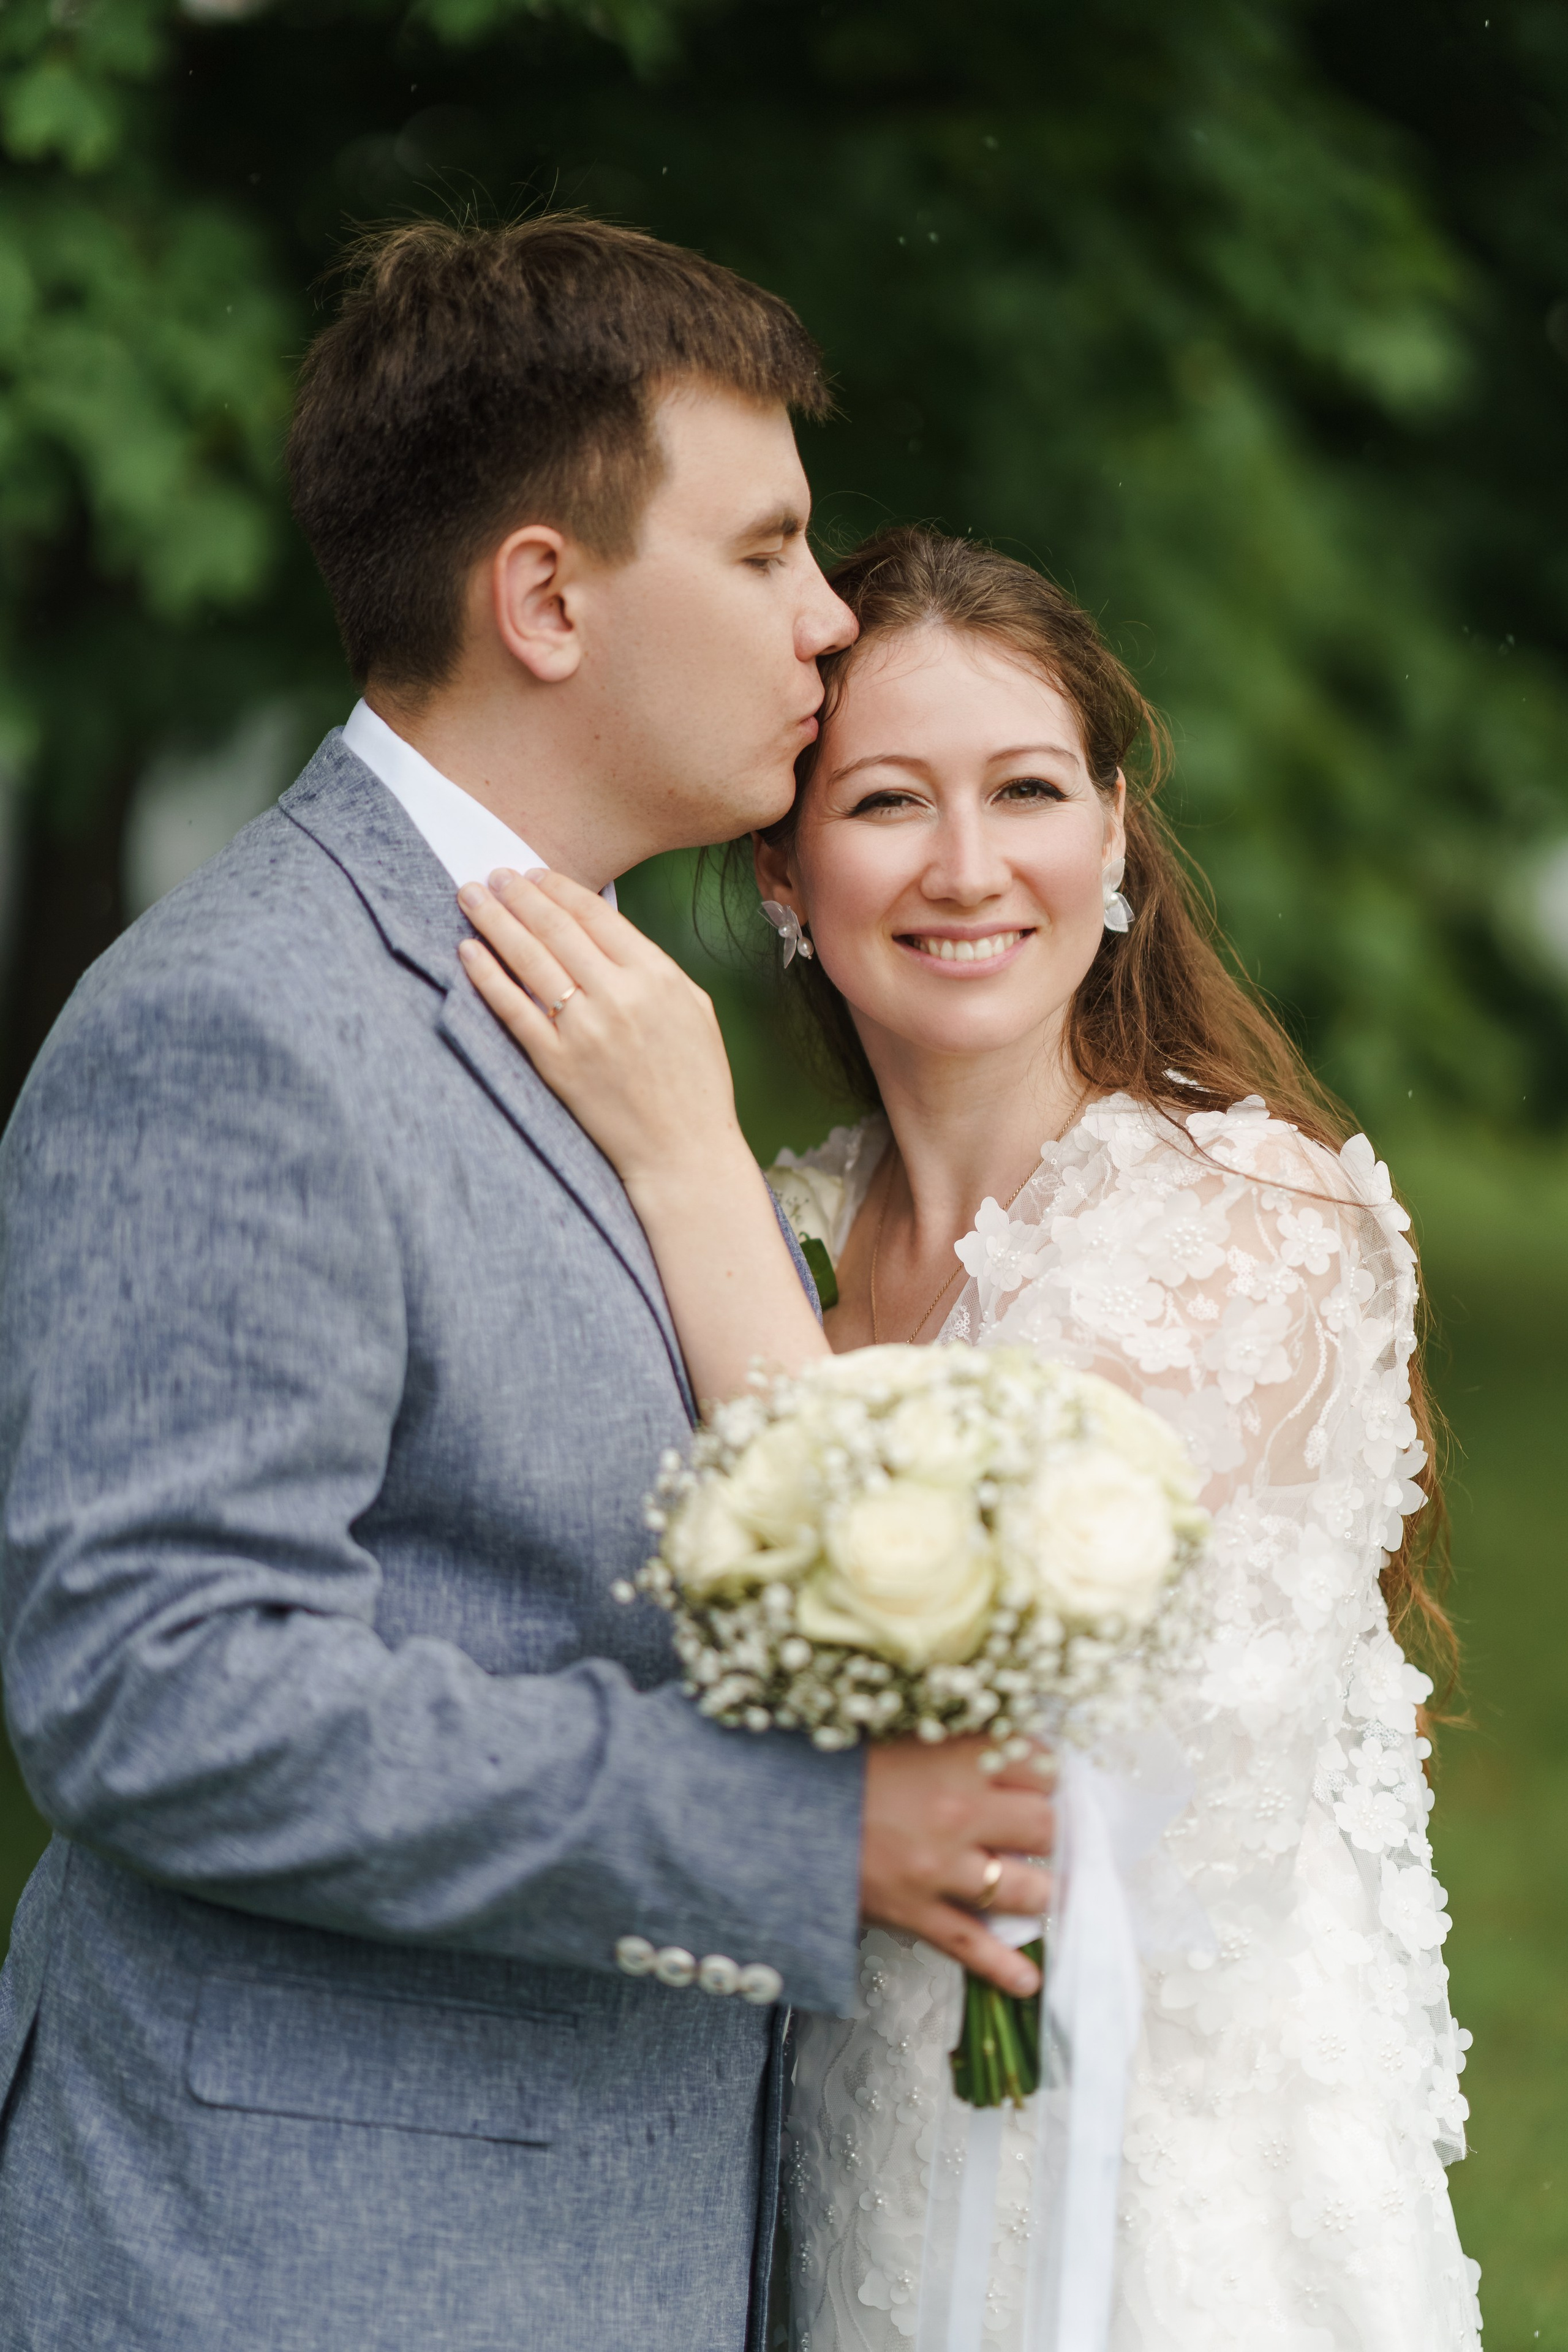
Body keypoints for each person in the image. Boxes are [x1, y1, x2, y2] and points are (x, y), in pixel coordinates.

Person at [0, 227, 1055, 2352]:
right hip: (315, 2271)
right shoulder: (241, 1025)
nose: (830, 617)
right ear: (549, 598)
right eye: (766, 553)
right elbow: (162, 1689)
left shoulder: (593, 997)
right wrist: (795, 1830)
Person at [456, 525, 1484, 2350]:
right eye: (883, 804)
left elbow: (915, 1620)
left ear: (1112, 842)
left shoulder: (1253, 1224)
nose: (965, 868)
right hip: (848, 2146)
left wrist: (678, 1151)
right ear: (783, 865)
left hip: (1157, 2179)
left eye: (1026, 790)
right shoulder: (789, 1224)